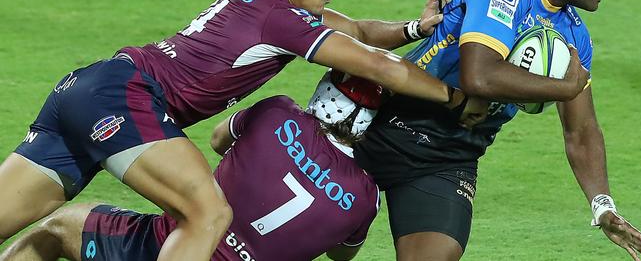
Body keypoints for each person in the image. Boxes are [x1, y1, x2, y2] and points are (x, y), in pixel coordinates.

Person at [0, 0, 498, 261]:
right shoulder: (280, 22)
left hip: (85, 88)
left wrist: (415, 29)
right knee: (209, 213)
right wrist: (456, 98)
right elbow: (379, 66)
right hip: (127, 99)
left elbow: (360, 32)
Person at [354, 0, 641, 261]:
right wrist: (562, 88)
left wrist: (603, 207)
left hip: (449, 158)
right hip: (384, 127)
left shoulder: (574, 37)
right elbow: (478, 76)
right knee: (327, 240)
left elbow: (581, 130)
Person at [0, 70, 385, 261]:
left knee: (59, 227)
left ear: (324, 92)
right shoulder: (366, 197)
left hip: (165, 246)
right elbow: (341, 254)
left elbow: (219, 139)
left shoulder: (279, 114)